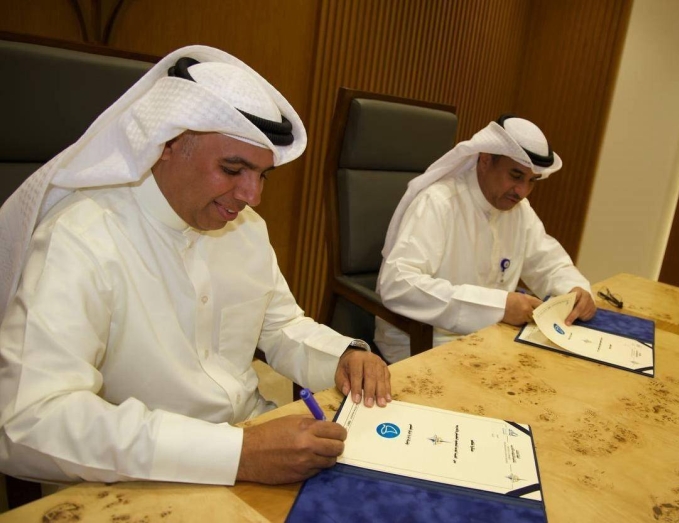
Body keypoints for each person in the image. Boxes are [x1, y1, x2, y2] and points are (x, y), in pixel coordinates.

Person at [0, 46, 390, 487]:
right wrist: (237, 455)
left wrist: (343, 356)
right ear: (167, 144)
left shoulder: (246, 229)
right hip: (139, 480)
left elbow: (281, 326)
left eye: (262, 175)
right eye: (233, 169)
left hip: (257, 441)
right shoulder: (81, 238)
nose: (252, 196)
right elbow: (29, 422)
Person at [375, 115, 596, 363]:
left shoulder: (518, 210)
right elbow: (398, 285)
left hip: (491, 340)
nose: (522, 192)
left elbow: (548, 263)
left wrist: (574, 290)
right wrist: (497, 307)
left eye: (531, 181)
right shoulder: (439, 202)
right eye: (516, 176)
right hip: (425, 343)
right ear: (485, 160)